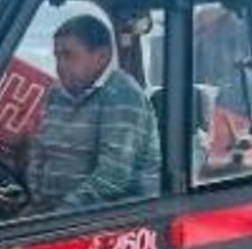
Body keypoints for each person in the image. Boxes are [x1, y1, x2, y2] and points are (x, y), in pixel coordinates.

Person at [25, 13, 161, 211]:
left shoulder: (123, 96)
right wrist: (36, 200)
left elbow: (113, 177)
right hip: (56, 213)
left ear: (101, 56)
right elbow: (39, 152)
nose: (60, 65)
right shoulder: (56, 93)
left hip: (110, 219)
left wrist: (58, 216)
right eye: (57, 56)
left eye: (68, 55)